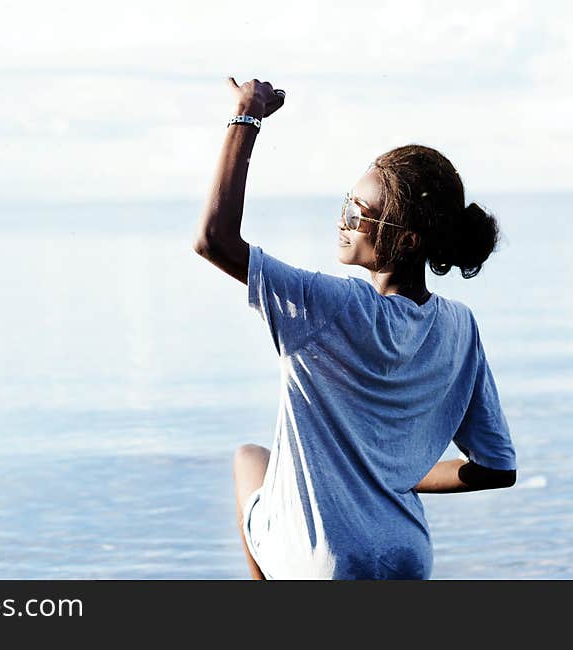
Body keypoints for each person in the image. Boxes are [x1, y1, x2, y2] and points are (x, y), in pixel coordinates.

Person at [193, 77, 517, 580]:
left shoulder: (329, 306)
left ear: (406, 240)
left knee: (249, 459)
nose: (343, 220)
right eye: (347, 203)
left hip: (321, 563)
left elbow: (214, 239)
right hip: (407, 556)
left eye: (359, 213)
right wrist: (394, 476)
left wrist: (246, 116)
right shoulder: (459, 326)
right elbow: (497, 470)